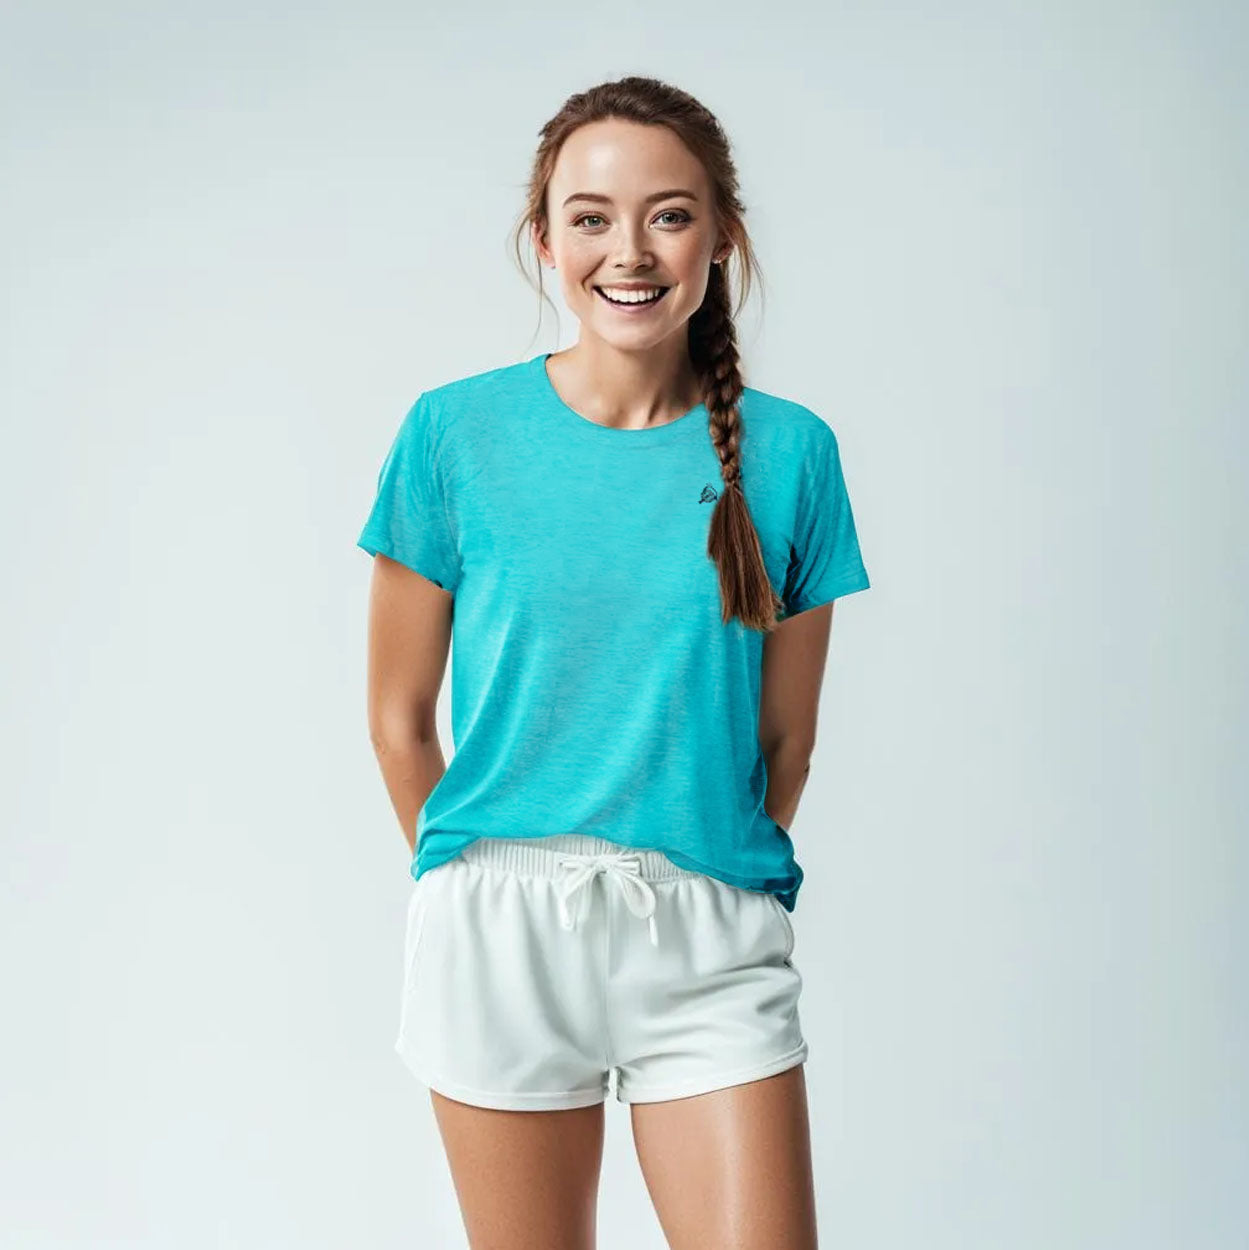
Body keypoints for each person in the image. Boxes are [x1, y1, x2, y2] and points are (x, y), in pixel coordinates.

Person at [358, 74, 870, 1250]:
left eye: (668, 213)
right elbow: (397, 716)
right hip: (496, 924)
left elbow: (785, 741)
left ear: (720, 236)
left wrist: (712, 869)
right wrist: (457, 887)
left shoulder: (791, 455)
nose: (627, 250)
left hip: (704, 932)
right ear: (543, 240)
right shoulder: (453, 432)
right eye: (588, 216)